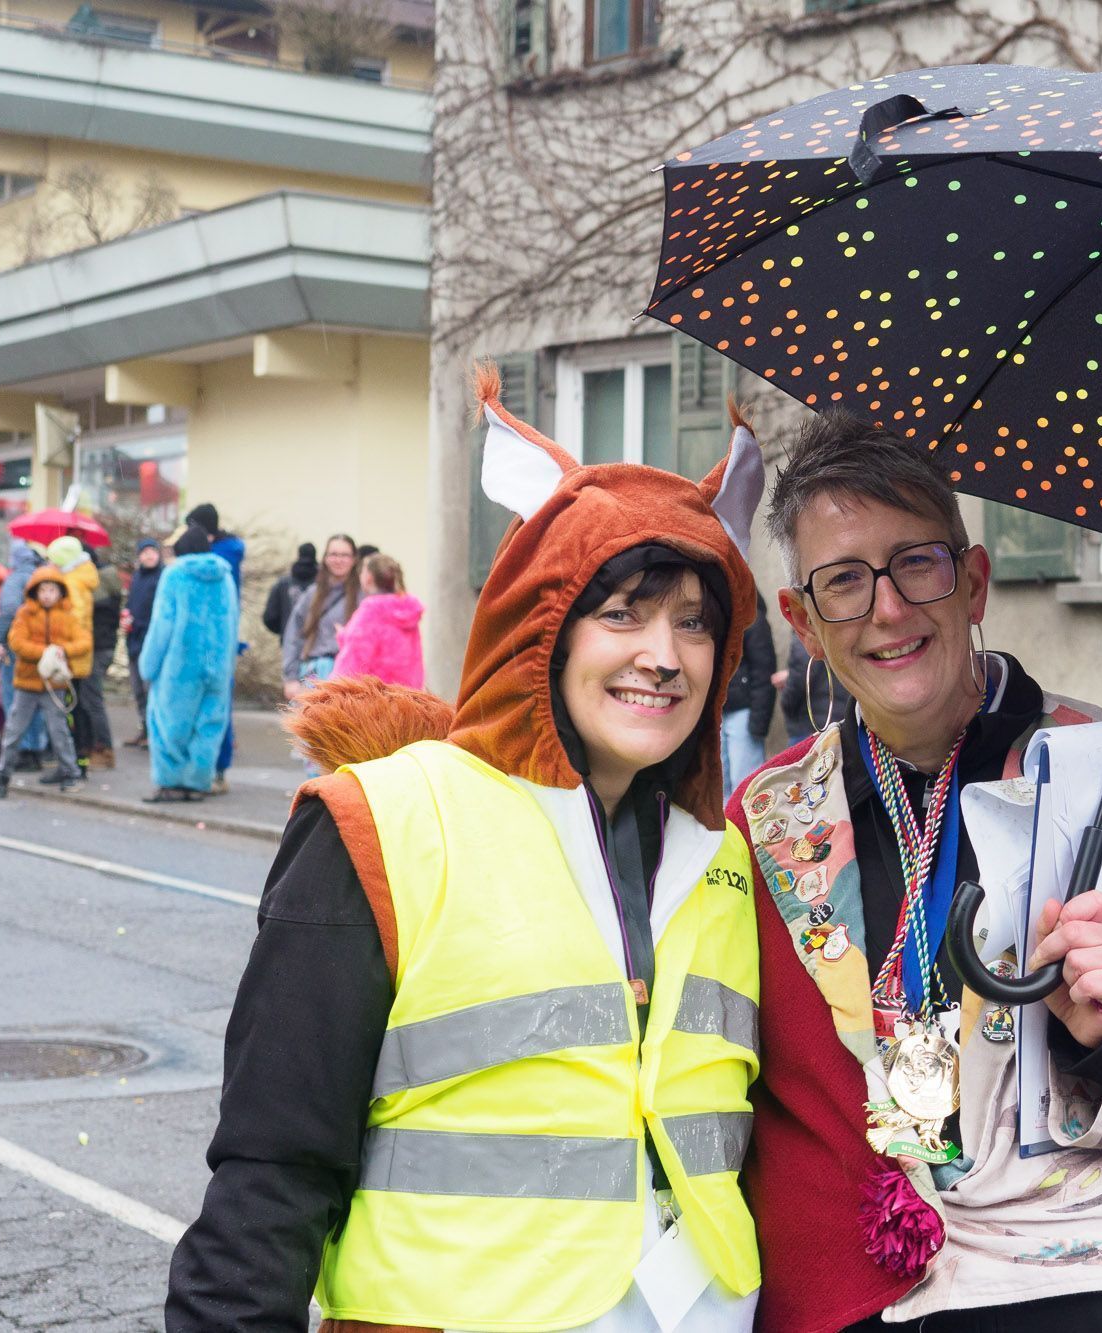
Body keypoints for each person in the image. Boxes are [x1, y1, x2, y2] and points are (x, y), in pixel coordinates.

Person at [167, 368, 768, 1333]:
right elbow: (271, 1171)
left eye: (695, 622)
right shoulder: (381, 823)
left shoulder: (730, 859)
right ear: (546, 630)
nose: (666, 653)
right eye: (623, 613)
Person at [729, 410, 1102, 1333]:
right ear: (803, 623)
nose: (887, 608)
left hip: (1090, 1299)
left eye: (916, 564)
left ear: (973, 583)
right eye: (844, 583)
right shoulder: (762, 818)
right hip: (845, 1305)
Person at [138, 527, 239, 803]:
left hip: (179, 666)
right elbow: (231, 624)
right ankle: (197, 783)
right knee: (208, 725)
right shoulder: (225, 577)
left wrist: (148, 665)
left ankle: (170, 783)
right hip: (216, 665)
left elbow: (162, 624)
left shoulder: (175, 575)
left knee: (169, 725)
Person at [0, 564, 88, 798]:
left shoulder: (67, 616)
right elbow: (16, 641)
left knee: (59, 731)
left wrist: (62, 651)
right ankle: (3, 774)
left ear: (60, 592)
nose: (47, 595)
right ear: (35, 591)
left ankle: (70, 773)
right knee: (14, 731)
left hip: (54, 685)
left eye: (52, 590)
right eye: (43, 590)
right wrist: (44, 652)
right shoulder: (24, 613)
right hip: (26, 683)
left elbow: (83, 642)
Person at [184, 503, 246, 792]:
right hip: (214, 642)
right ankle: (208, 770)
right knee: (211, 706)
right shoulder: (223, 555)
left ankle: (215, 771)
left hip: (214, 644)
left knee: (213, 707)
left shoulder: (217, 560)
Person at [45, 535, 114, 772]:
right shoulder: (79, 578)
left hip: (70, 655)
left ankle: (76, 762)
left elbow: (71, 621)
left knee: (75, 708)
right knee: (78, 707)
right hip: (77, 654)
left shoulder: (72, 583)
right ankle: (78, 761)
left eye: (53, 560)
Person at [0, 537, 49, 770]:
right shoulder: (41, 577)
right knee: (38, 702)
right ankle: (37, 749)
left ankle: (21, 752)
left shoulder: (15, 579)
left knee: (15, 700)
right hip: (40, 648)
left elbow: (8, 611)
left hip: (18, 648)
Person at [329, 553, 424, 689]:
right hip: (406, 698)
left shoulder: (371, 610)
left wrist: (332, 691)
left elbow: (354, 658)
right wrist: (345, 636)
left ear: (368, 578)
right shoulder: (407, 611)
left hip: (375, 699)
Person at [282, 534, 360, 699]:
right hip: (313, 675)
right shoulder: (312, 594)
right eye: (333, 554)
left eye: (344, 555)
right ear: (325, 558)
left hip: (350, 680)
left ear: (354, 559)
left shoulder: (364, 598)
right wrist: (291, 678)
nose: (338, 560)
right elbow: (293, 636)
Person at [720, 590, 775, 792]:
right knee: (720, 789)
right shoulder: (718, 619)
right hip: (718, 713)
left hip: (744, 713)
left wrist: (758, 724)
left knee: (746, 786)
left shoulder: (753, 620)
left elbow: (764, 671)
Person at [123, 540, 164, 749]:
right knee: (138, 690)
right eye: (145, 552)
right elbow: (131, 604)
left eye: (152, 552)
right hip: (134, 640)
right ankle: (144, 729)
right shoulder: (137, 577)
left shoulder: (163, 578)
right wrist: (127, 617)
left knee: (151, 690)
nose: (149, 556)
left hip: (151, 640)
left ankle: (155, 732)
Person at [261, 541, 318, 639]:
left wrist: (285, 630)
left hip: (289, 641)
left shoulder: (283, 583)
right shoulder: (324, 584)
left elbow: (269, 618)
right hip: (317, 642)